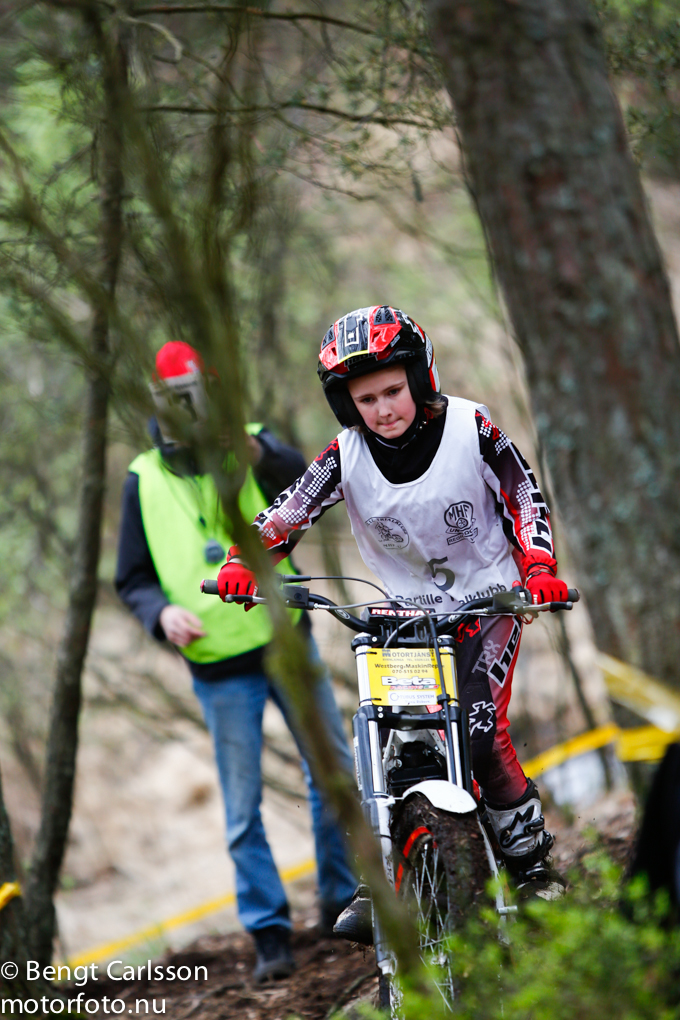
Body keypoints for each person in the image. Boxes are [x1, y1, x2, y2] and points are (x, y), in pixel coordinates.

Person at [217, 305, 569, 934]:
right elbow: (289, 510)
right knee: (386, 735)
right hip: (403, 616)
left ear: (419, 378)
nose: (382, 409)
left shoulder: (471, 428)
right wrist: (246, 560)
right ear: (346, 404)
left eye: (392, 391)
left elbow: (522, 493)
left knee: (477, 732)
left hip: (489, 601)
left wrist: (538, 567)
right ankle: (378, 875)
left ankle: (532, 866)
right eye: (366, 399)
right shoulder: (344, 455)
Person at [115, 341, 355, 982]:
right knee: (243, 806)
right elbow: (131, 579)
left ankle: (343, 900)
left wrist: (254, 450)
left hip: (286, 639)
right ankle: (270, 933)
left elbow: (305, 480)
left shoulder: (250, 444)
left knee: (333, 772)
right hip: (217, 666)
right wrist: (160, 615)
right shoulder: (143, 478)